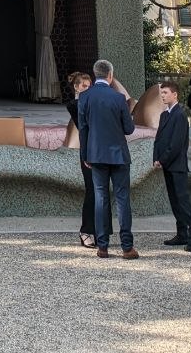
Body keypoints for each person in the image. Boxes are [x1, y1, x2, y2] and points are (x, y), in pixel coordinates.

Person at [77, 57, 138, 259]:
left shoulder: (85, 97)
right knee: (122, 200)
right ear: (110, 76)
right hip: (119, 155)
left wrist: (85, 154)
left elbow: (83, 129)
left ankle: (102, 246)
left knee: (101, 199)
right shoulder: (119, 98)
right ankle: (127, 246)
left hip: (95, 154)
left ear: (95, 76)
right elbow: (129, 129)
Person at [153, 80, 191, 252]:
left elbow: (176, 143)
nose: (163, 96)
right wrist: (156, 157)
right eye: (162, 93)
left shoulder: (180, 115)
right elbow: (159, 138)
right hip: (167, 164)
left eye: (166, 93)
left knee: (182, 201)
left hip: (177, 165)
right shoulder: (164, 115)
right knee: (174, 201)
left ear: (175, 94)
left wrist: (163, 159)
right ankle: (181, 233)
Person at [67, 70, 110, 248]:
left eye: (89, 86)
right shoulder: (74, 104)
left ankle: (102, 232)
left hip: (101, 149)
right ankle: (86, 230)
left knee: (103, 191)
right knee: (92, 191)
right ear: (76, 87)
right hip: (88, 151)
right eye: (84, 86)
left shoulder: (92, 102)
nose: (87, 89)